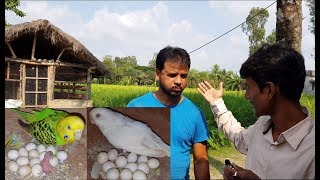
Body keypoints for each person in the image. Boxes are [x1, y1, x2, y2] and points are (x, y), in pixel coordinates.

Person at [197, 43, 314, 179]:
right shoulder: (262, 125)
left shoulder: (311, 150)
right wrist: (216, 103)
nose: (247, 96)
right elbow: (239, 137)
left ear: (268, 90)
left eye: (248, 87)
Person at [127, 46, 210, 179]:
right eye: (172, 75)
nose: (178, 81)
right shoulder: (136, 107)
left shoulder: (195, 114)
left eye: (183, 76)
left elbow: (201, 160)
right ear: (158, 74)